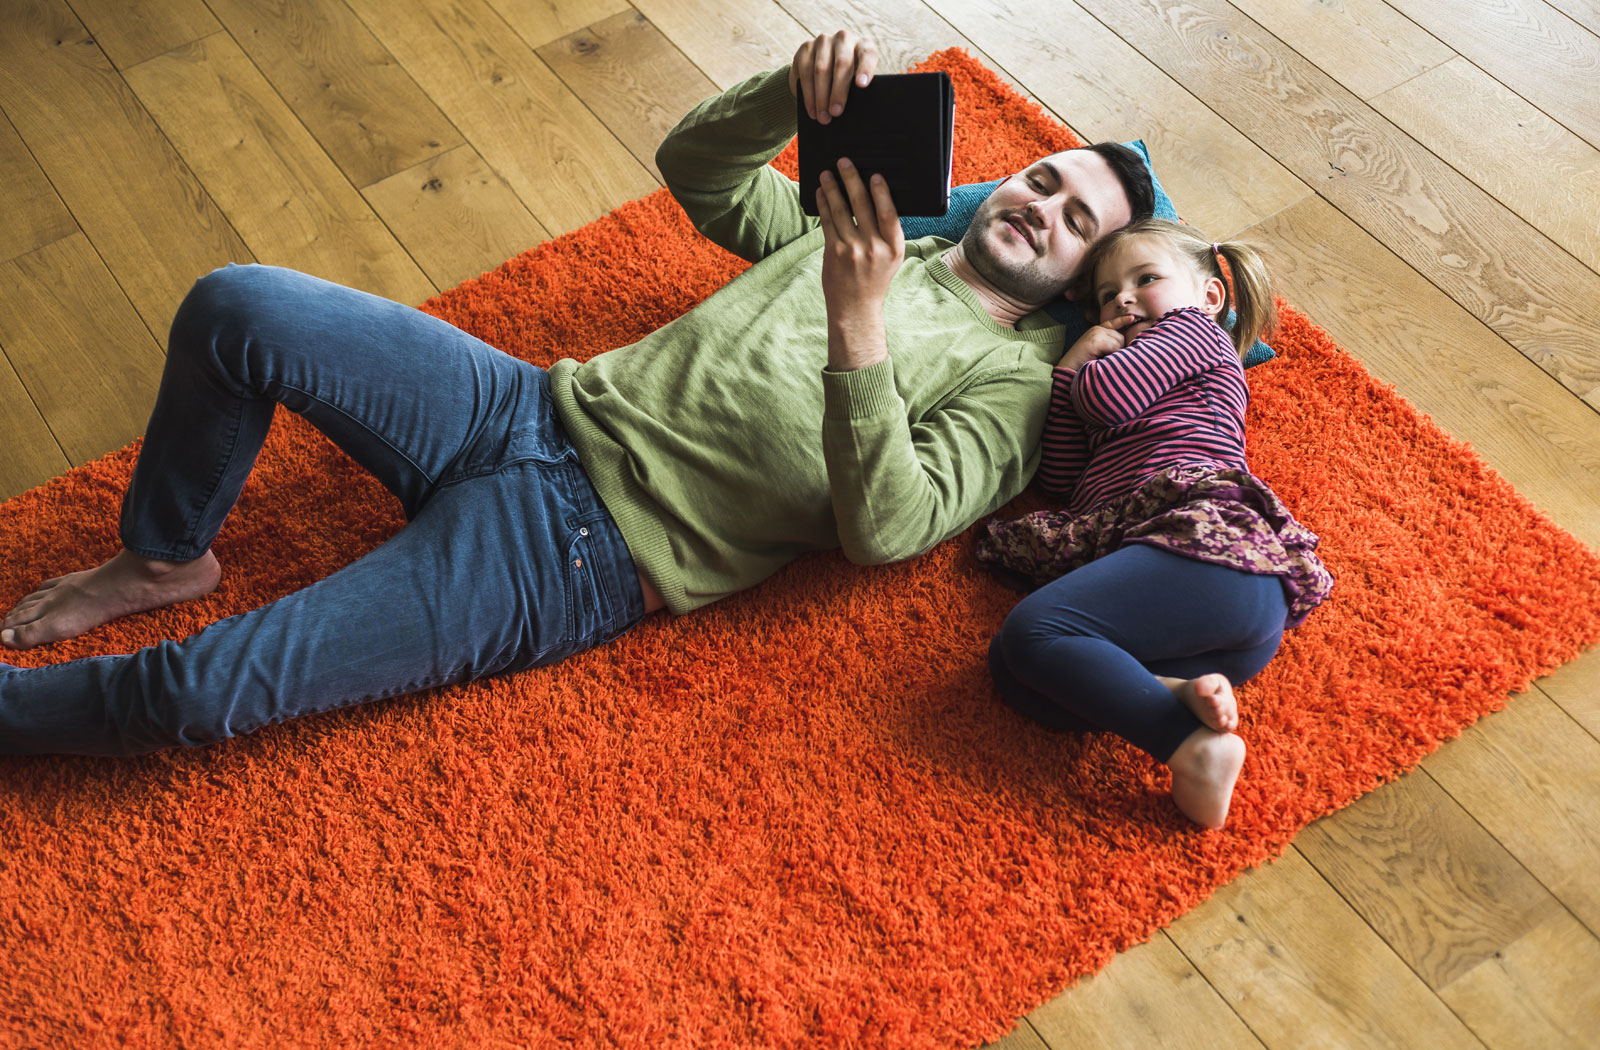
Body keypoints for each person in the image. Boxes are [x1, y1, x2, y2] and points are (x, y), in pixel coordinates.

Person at [0, 32, 1153, 756]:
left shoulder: (1015, 384)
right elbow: (699, 173)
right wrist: (782, 96)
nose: (1041, 210)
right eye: (1043, 181)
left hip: (587, 556)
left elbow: (890, 529)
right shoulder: (868, 220)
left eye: (1073, 224)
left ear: (1072, 278)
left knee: (201, 690)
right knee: (235, 304)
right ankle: (164, 557)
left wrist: (859, 320)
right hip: (525, 407)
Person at [977, 218, 1334, 829]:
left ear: (1209, 296)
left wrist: (1085, 357)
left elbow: (1108, 398)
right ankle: (1170, 697)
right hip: (1211, 626)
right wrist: (1069, 371)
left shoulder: (1195, 333)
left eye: (1146, 280)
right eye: (1107, 294)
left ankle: (1195, 750)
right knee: (1018, 675)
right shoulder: (1120, 367)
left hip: (1209, 546)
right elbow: (1062, 479)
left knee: (1035, 630)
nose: (1123, 300)